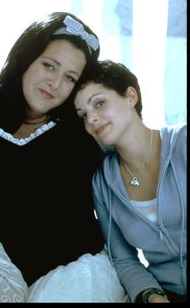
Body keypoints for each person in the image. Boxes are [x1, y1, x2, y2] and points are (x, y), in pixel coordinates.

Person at [0, 13, 128, 303]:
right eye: (49, 65)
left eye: (70, 78)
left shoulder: (82, 125)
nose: (55, 83)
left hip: (74, 269)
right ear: (26, 58)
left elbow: (137, 155)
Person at [74, 60, 186, 303]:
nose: (91, 118)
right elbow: (123, 258)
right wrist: (151, 295)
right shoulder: (102, 182)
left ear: (130, 96)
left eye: (99, 103)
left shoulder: (183, 143)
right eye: (83, 114)